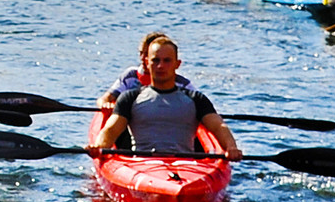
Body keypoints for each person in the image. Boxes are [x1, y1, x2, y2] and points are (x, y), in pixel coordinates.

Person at [91, 36, 242, 159]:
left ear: (177, 64)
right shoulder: (129, 98)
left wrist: (231, 147)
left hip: (186, 166)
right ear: (147, 63)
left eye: (167, 61)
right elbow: (110, 130)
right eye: (155, 60)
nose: (160, 66)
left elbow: (218, 126)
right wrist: (99, 146)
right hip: (143, 164)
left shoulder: (196, 99)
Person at [99, 29, 196, 103]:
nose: (142, 58)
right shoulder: (131, 76)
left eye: (146, 54)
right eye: (141, 53)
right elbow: (105, 98)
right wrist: (106, 105)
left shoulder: (182, 84)